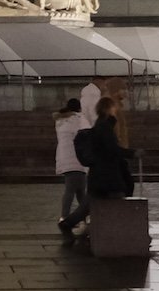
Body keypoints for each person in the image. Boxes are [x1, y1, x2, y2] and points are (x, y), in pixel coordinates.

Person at [62, 97, 135, 237]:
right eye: (114, 107)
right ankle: (123, 232)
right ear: (108, 108)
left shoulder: (102, 125)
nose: (116, 110)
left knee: (88, 205)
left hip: (100, 175)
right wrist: (132, 153)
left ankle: (69, 224)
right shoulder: (104, 127)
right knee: (117, 200)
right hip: (107, 176)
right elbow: (112, 149)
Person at [54, 97, 90, 232]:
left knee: (79, 190)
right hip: (77, 158)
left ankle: (81, 218)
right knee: (74, 190)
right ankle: (65, 217)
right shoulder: (80, 119)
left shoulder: (60, 121)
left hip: (64, 157)